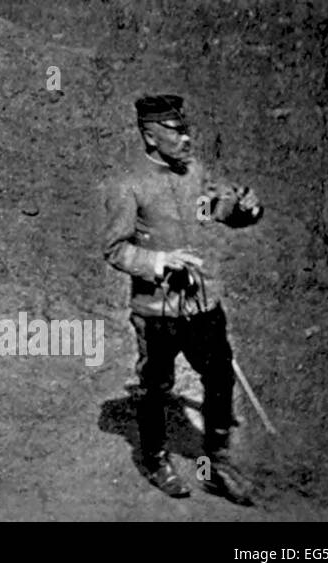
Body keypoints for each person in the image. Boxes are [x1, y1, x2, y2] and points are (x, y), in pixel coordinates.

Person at [101, 94, 263, 505]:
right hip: (156, 311)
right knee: (156, 386)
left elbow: (216, 209)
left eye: (186, 129)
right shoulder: (127, 185)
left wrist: (246, 209)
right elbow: (115, 249)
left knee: (220, 377)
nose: (187, 138)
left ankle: (217, 460)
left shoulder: (195, 173)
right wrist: (159, 260)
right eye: (176, 131)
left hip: (203, 302)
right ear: (150, 136)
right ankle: (156, 459)